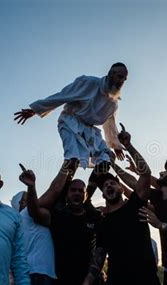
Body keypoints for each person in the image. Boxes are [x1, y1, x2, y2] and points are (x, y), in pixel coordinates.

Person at [73, 125, 162, 285]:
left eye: (112, 183)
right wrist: (87, 283)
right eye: (105, 185)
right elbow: (98, 257)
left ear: (121, 189)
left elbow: (145, 174)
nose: (108, 185)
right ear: (103, 193)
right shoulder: (103, 222)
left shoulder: (135, 205)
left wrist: (127, 146)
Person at [14, 63, 128, 199]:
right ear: (110, 74)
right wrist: (35, 109)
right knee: (72, 159)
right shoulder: (88, 83)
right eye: (120, 77)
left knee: (106, 158)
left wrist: (115, 145)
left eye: (124, 79)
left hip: (89, 129)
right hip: (70, 122)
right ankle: (61, 198)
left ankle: (87, 200)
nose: (122, 81)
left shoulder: (113, 103)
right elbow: (63, 96)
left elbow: (110, 122)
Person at [26, 161, 102, 285]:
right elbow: (34, 211)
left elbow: (100, 251)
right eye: (73, 190)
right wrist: (31, 187)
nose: (77, 193)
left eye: (81, 191)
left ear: (86, 195)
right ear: (67, 195)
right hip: (60, 284)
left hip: (89, 283)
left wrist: (89, 280)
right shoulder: (58, 216)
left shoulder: (94, 218)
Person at [11, 185, 56, 285]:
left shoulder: (17, 223)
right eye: (27, 198)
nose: (32, 199)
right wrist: (68, 166)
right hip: (37, 275)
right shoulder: (26, 213)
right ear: (20, 204)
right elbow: (54, 191)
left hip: (29, 276)